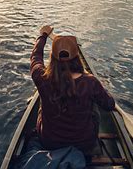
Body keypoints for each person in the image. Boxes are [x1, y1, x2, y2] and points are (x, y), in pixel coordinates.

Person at [30, 25, 116, 154]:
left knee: (43, 104)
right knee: (94, 107)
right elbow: (109, 105)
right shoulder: (90, 82)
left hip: (50, 142)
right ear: (77, 56)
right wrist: (102, 89)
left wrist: (43, 35)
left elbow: (35, 57)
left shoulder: (41, 77)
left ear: (52, 56)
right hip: (84, 144)